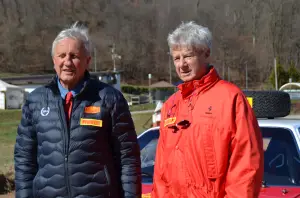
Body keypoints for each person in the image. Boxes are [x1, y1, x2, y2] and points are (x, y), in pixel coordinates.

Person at [14, 21, 141, 198]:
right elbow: (24, 160)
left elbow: (128, 159)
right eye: (62, 55)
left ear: (87, 61)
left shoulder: (109, 99)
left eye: (74, 56)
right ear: (54, 60)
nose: (67, 62)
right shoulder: (35, 101)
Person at [152, 21, 264, 198]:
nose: (182, 64)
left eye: (188, 56)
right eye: (177, 58)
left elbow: (246, 167)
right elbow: (161, 171)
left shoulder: (231, 99)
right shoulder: (170, 105)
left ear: (206, 53)